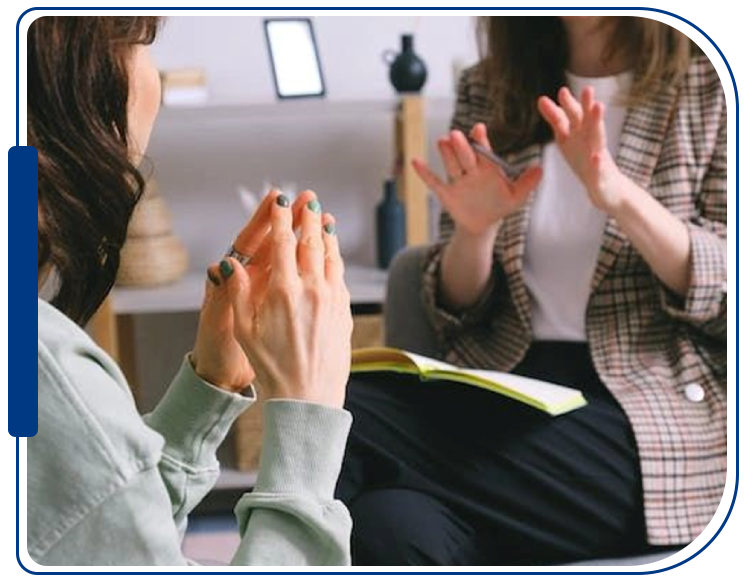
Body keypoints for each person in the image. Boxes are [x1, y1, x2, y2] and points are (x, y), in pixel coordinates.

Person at [337, 15, 727, 566]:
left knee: (341, 408)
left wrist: (616, 195)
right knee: (389, 528)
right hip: (506, 396)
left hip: (645, 422)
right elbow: (458, 312)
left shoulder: (709, 84)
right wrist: (476, 231)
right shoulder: (492, 87)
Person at [32, 16, 354, 567]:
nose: (149, 73)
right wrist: (308, 413)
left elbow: (85, 530)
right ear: (70, 81)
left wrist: (210, 385)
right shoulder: (48, 369)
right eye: (140, 43)